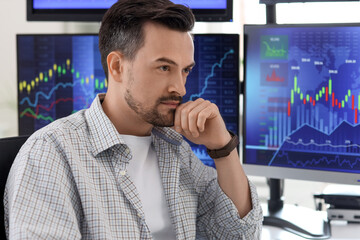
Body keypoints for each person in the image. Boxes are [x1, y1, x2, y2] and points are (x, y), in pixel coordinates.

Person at [4, 0, 263, 239]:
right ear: (117, 66)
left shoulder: (176, 152)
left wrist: (223, 149)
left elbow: (239, 235)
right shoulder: (51, 154)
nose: (180, 88)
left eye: (185, 70)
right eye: (164, 67)